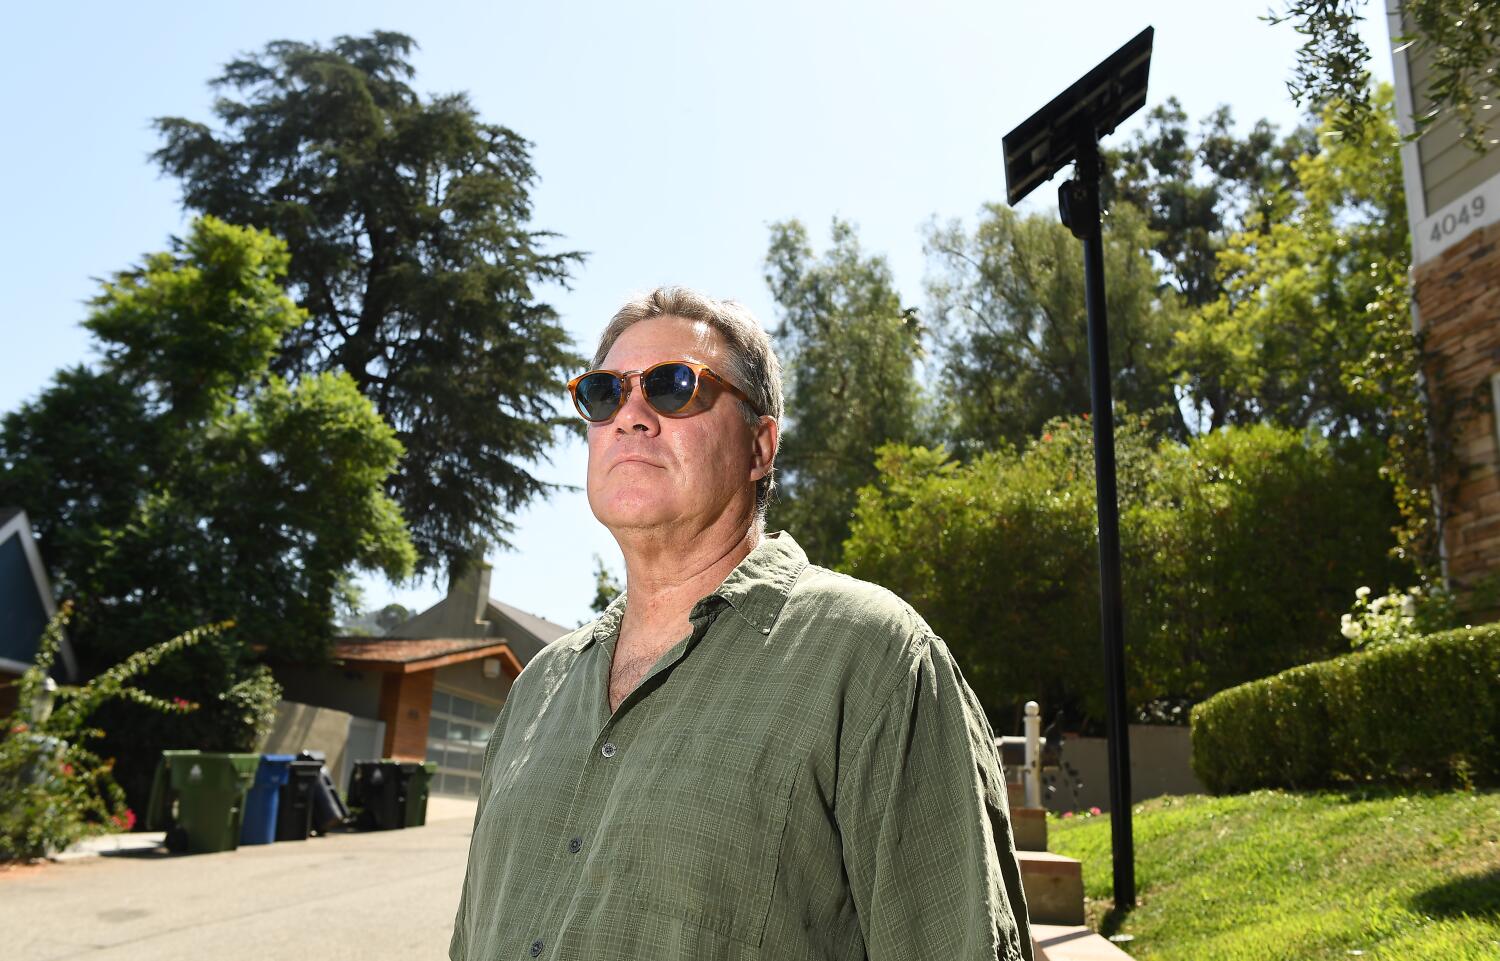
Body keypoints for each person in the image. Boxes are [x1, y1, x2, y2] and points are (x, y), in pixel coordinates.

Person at [449, 286, 1033, 961]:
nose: (630, 416)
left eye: (672, 386)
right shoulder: (537, 688)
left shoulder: (875, 659)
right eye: (605, 393)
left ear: (760, 445)